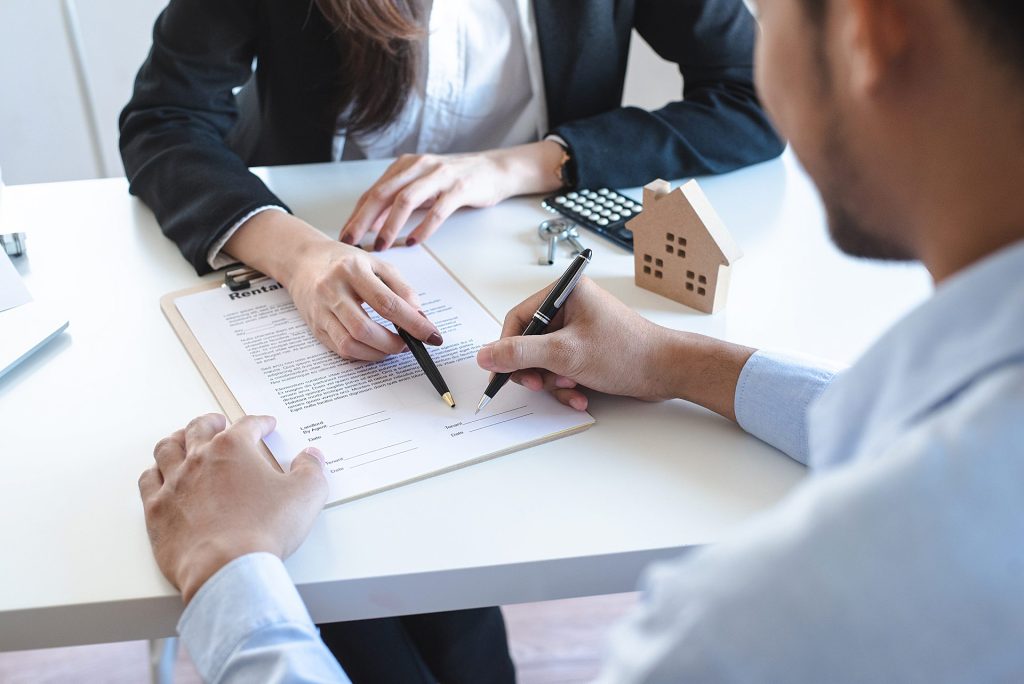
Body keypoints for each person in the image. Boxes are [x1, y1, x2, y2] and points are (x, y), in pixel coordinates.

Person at [140, 0, 1024, 680]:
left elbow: (736, 90)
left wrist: (227, 572)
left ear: (874, 35)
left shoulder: (732, 630)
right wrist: (676, 360)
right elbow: (163, 120)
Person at [120, 0, 782, 364]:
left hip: (523, 267)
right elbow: (163, 119)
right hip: (296, 254)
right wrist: (301, 256)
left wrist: (520, 165)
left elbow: (755, 97)